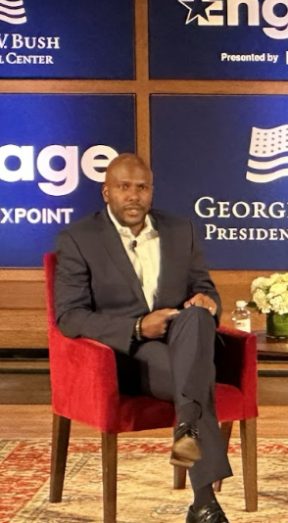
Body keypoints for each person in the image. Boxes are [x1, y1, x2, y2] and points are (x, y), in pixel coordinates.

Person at [53, 153, 232, 523]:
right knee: (196, 380)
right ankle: (202, 499)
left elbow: (205, 288)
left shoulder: (180, 230)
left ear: (151, 192)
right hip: (127, 356)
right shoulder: (79, 238)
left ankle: (203, 506)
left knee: (197, 318)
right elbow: (69, 317)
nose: (133, 196)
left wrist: (208, 302)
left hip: (184, 339)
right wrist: (137, 328)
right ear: (107, 192)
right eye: (123, 188)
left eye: (142, 188)